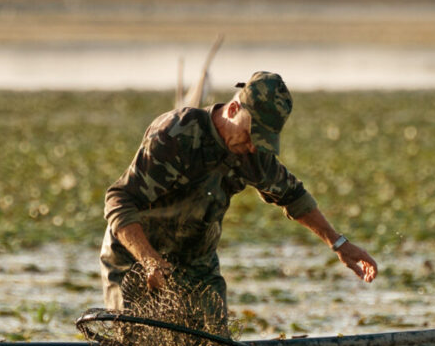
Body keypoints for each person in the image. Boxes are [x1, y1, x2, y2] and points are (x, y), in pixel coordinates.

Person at [101, 71, 379, 313]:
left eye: (261, 140)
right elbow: (119, 199)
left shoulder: (252, 151)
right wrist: (150, 261)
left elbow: (293, 196)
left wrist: (340, 245)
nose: (251, 146)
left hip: (196, 264)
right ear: (233, 110)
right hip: (136, 259)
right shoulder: (174, 135)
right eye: (249, 134)